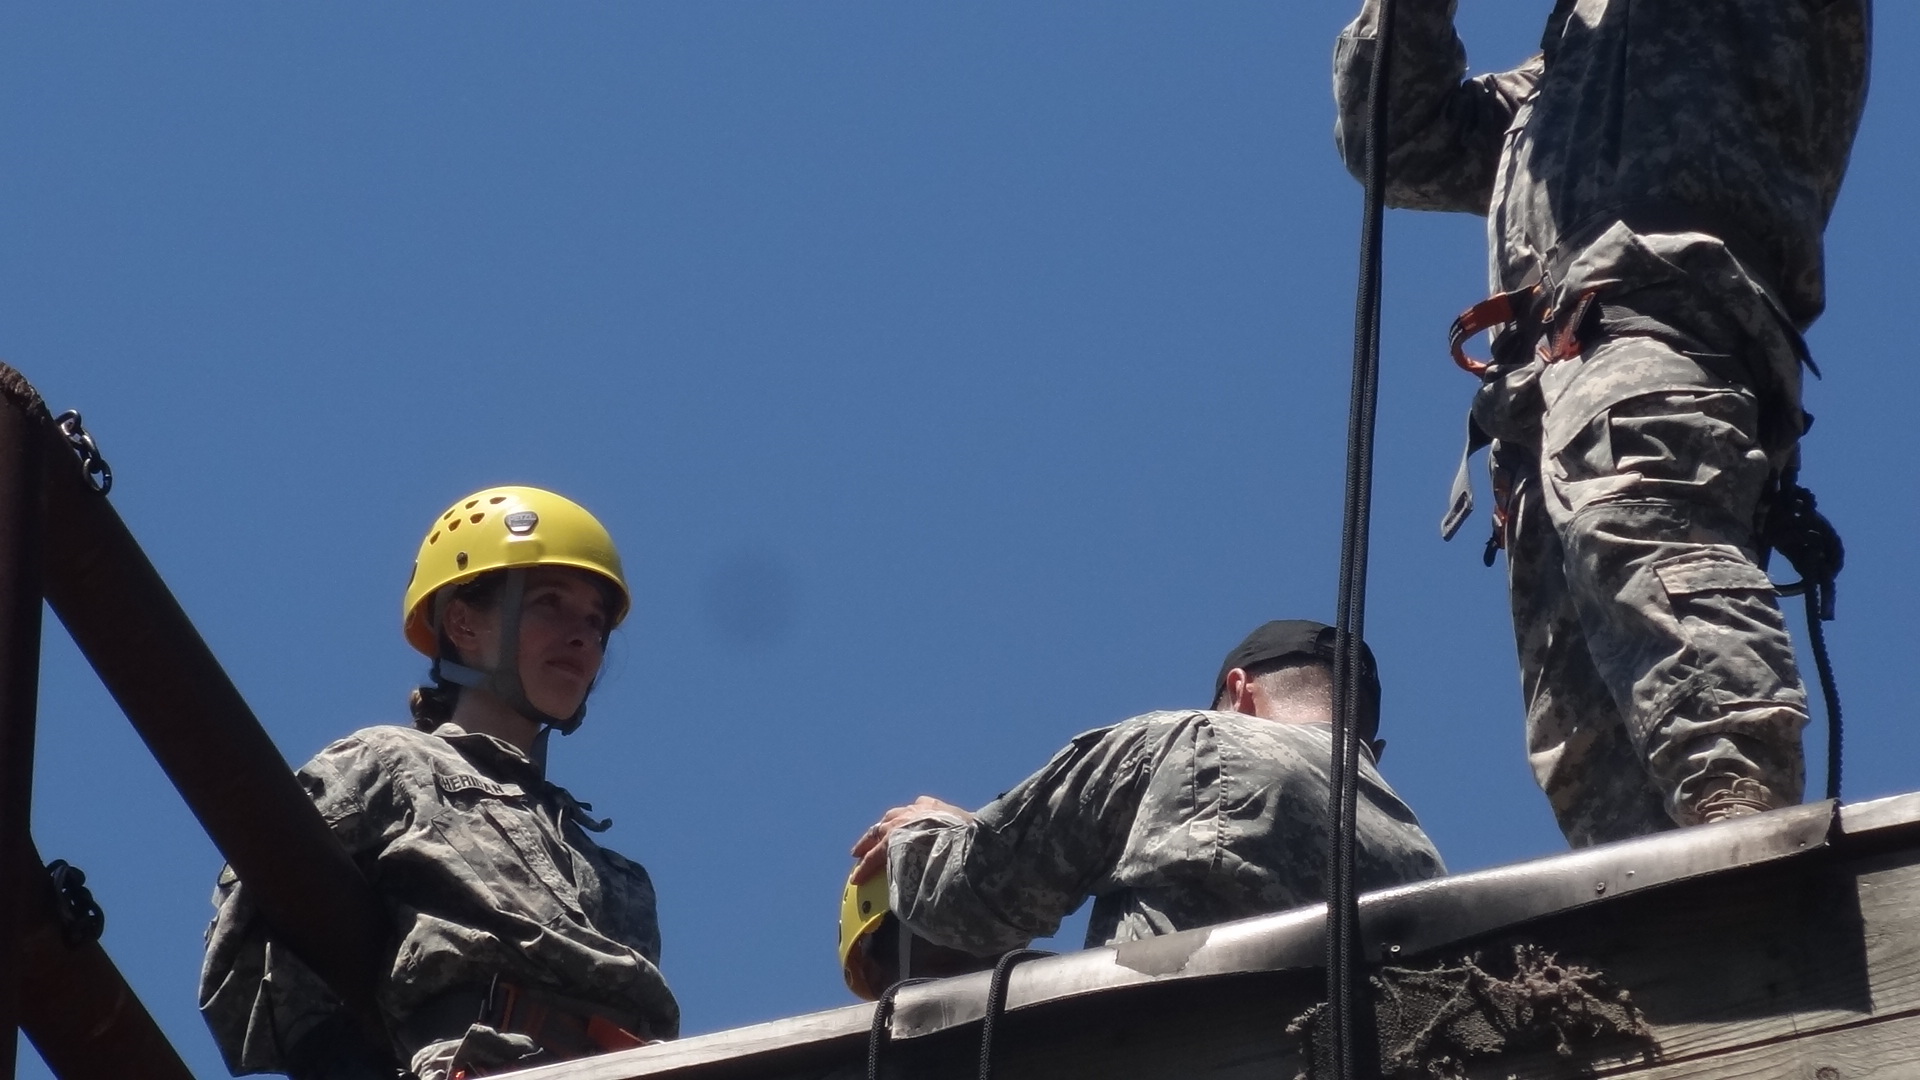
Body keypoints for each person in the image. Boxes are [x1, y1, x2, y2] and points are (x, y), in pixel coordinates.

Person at [1332, 1, 1870, 846]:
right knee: (1579, 702)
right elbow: (1397, 140)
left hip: (1657, 317)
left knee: (1648, 543)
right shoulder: (1554, 85)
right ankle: (1654, 907)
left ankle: (1745, 825)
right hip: (1543, 392)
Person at [200, 486, 678, 1079]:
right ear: (463, 623)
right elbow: (251, 930)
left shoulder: (620, 879)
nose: (581, 636)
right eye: (550, 604)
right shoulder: (389, 765)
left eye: (595, 621)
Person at [841, 620, 1444, 985]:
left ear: (1239, 692)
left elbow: (965, 901)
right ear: (1375, 748)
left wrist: (926, 834)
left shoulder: (1195, 742)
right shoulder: (1422, 861)